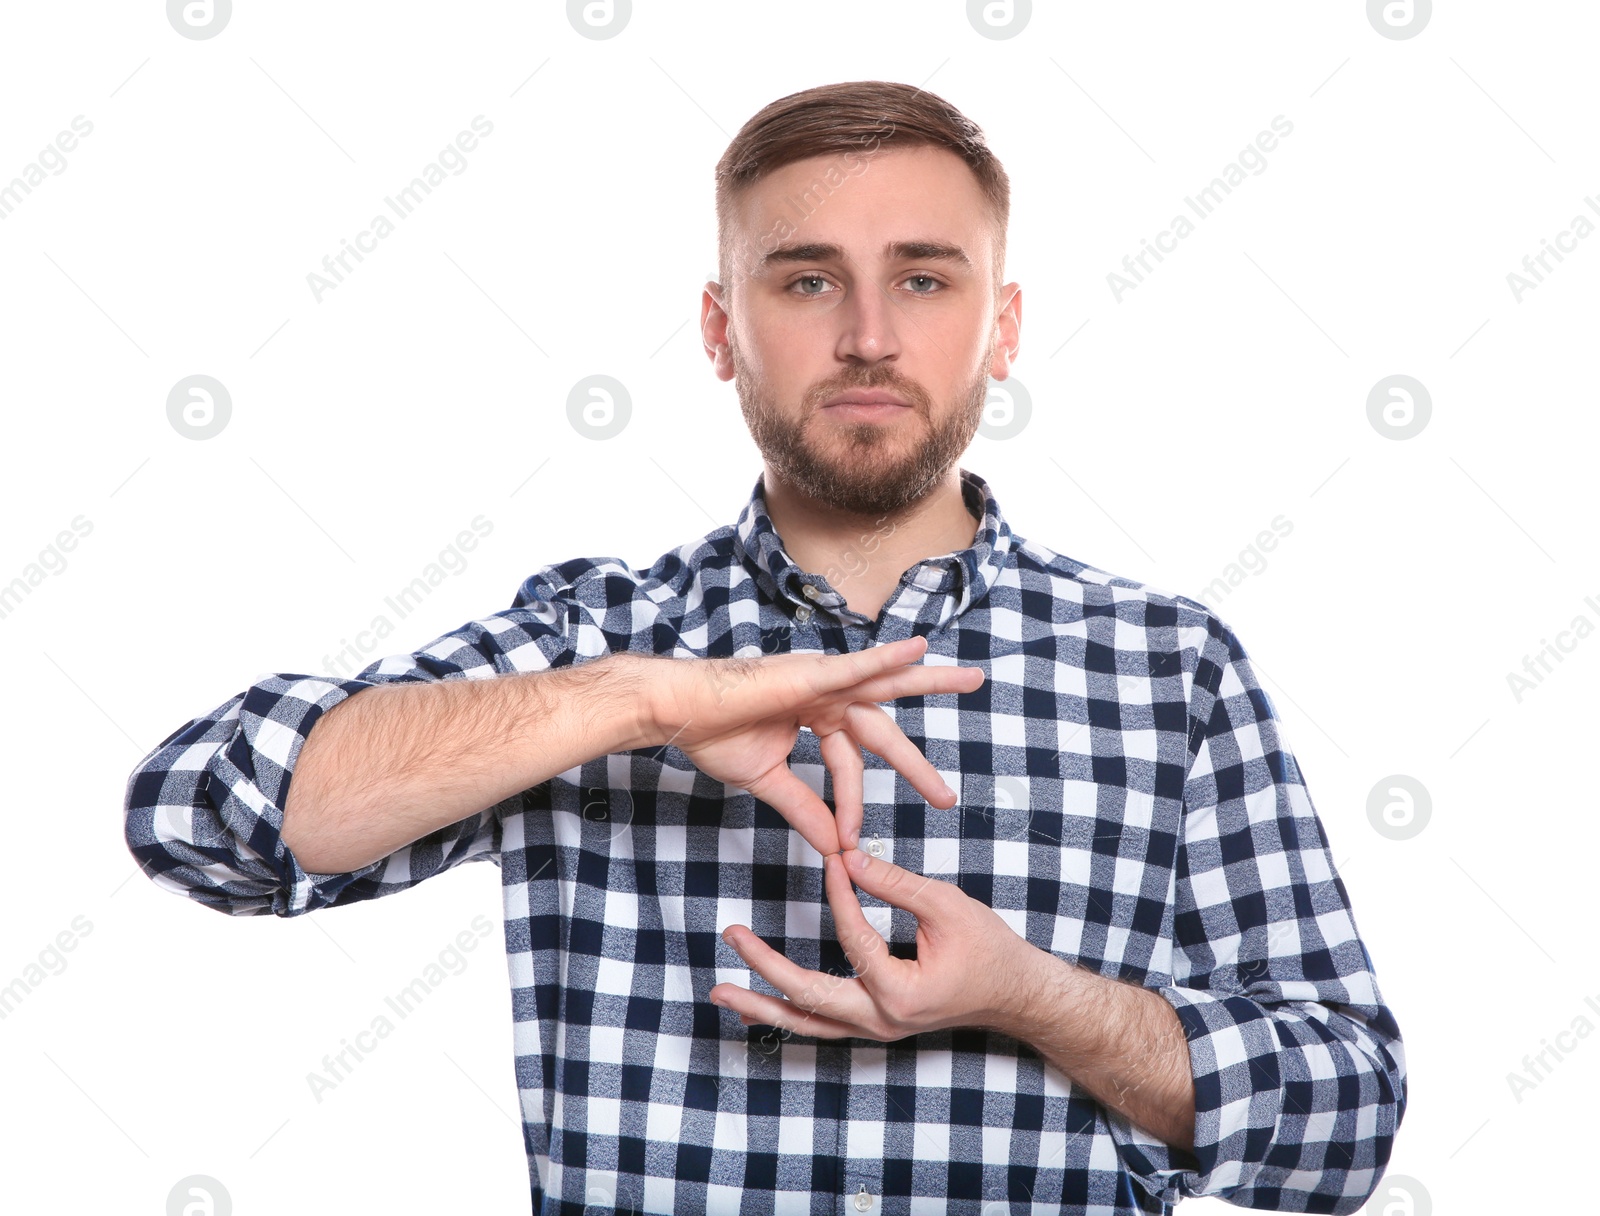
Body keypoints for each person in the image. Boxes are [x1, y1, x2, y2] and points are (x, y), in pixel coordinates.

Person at [123, 80, 1406, 1215]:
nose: (866, 336)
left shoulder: (1165, 668)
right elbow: (198, 820)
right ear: (719, 328)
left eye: (922, 276)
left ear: (1003, 326)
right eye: (804, 280)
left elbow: (1348, 1123)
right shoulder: (594, 642)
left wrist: (1032, 998)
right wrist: (637, 701)